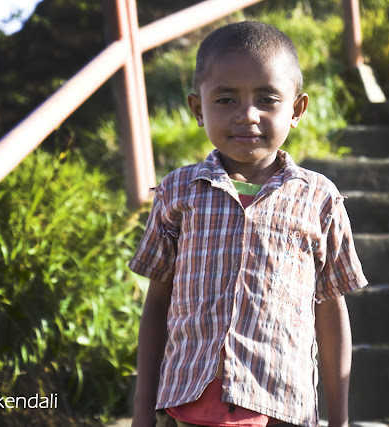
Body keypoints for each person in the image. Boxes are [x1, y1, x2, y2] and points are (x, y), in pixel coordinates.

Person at [129, 21, 368, 427]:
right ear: (197, 110)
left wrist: (339, 419)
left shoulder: (319, 199)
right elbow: (157, 305)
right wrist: (141, 413)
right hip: (191, 407)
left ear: (296, 110)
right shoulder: (177, 193)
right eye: (225, 100)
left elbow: (331, 310)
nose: (247, 116)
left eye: (267, 99)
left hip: (282, 407)